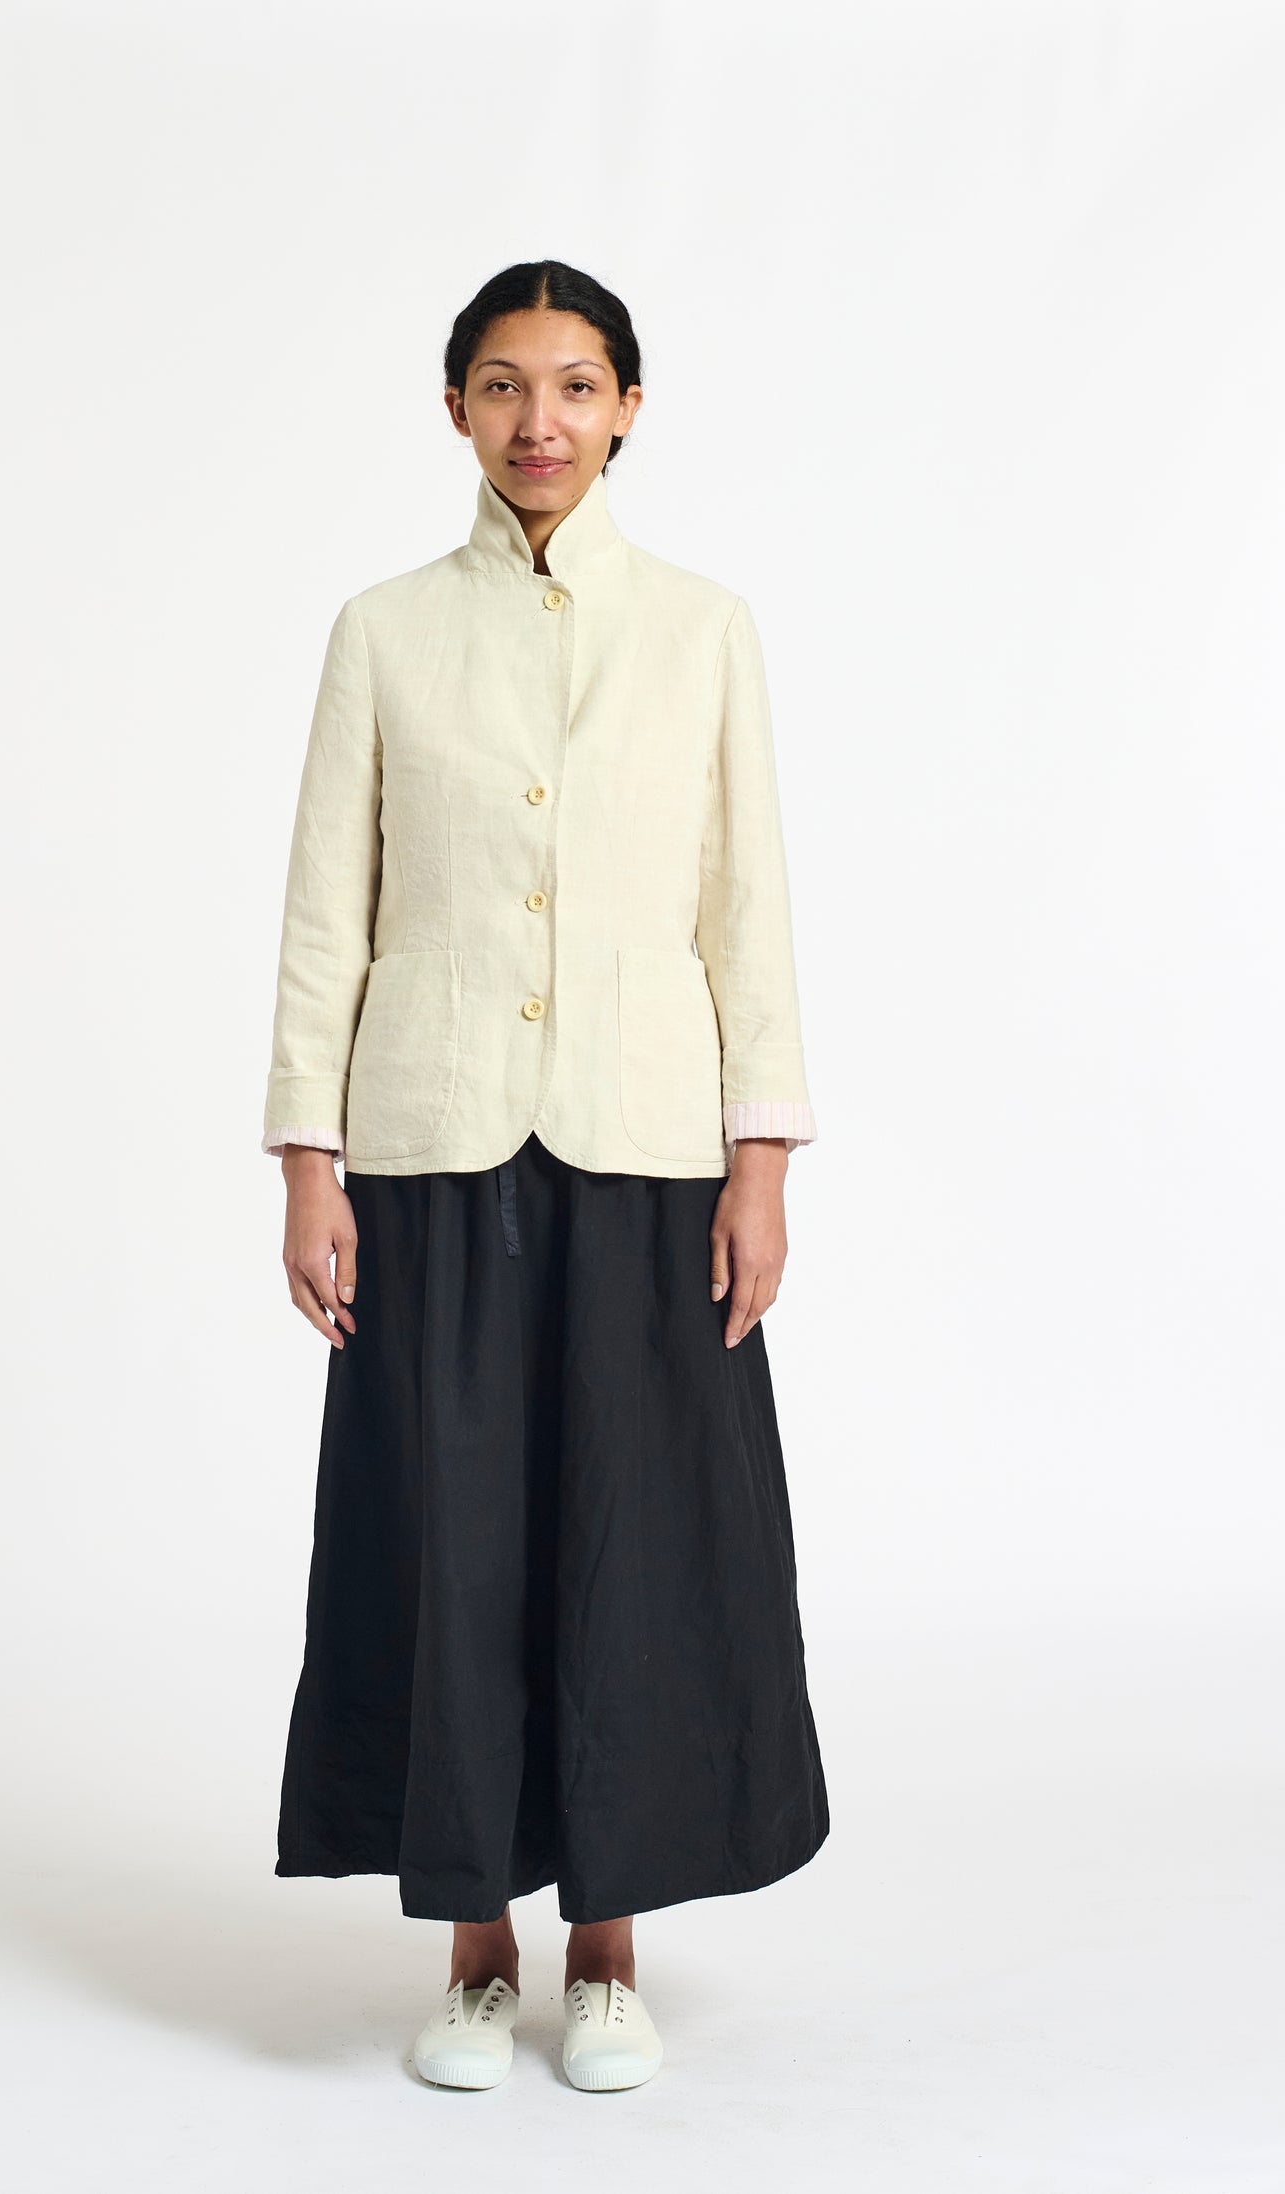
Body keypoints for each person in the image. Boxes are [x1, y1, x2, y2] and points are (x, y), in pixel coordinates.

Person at [261, 259, 828, 2093]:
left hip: (643, 1142)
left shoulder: (703, 629)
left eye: (575, 385)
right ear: (455, 409)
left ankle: (606, 1946)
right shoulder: (381, 631)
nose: (539, 419)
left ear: (627, 410)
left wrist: (759, 1156)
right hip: (430, 1141)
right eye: (503, 384)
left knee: (631, 1544)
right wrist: (306, 1158)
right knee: (450, 1534)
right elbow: (325, 912)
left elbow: (745, 905)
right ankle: (472, 1948)